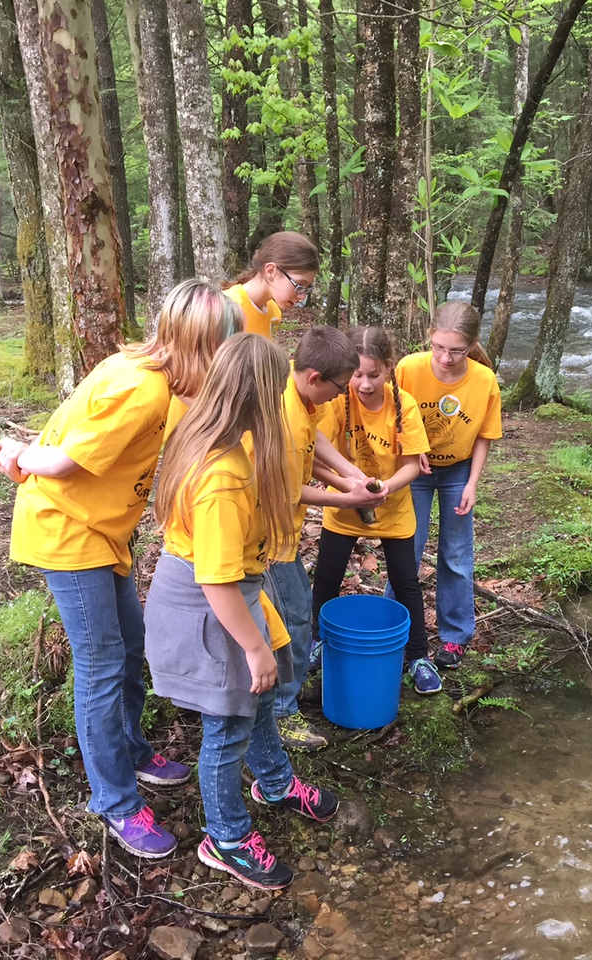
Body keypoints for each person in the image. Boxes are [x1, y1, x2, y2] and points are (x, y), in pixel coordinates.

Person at [0, 278, 241, 859]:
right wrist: (21, 457)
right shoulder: (141, 390)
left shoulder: (162, 382)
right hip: (69, 534)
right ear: (198, 348)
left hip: (105, 533)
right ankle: (115, 802)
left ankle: (130, 749)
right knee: (100, 666)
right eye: (220, 354)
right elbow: (65, 459)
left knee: (131, 647)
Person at [142, 333, 339, 890]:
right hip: (212, 606)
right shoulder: (224, 474)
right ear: (258, 395)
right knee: (228, 726)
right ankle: (225, 838)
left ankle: (275, 783)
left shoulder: (222, 437)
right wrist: (254, 647)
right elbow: (216, 577)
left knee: (256, 706)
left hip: (237, 591)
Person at [267, 326, 386, 751]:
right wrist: (342, 498)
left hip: (285, 536)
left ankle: (288, 694)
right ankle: (282, 713)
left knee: (298, 612)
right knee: (293, 619)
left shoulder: (303, 397)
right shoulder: (281, 412)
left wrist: (350, 476)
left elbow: (311, 450)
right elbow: (287, 487)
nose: (344, 394)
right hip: (266, 540)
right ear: (316, 376)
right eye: (340, 386)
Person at [312, 326, 440, 695]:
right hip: (345, 505)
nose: (364, 384)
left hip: (394, 509)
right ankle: (319, 641)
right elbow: (317, 456)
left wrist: (385, 488)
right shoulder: (337, 401)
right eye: (356, 374)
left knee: (405, 582)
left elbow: (413, 465)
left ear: (389, 368)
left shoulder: (406, 406)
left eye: (374, 374)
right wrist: (349, 489)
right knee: (327, 576)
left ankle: (418, 656)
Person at [392, 302, 503, 671]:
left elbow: (485, 435)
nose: (446, 357)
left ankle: (455, 637)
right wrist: (412, 453)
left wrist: (473, 482)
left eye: (456, 350)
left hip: (458, 471)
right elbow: (391, 416)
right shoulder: (409, 368)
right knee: (406, 549)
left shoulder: (484, 380)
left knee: (456, 555)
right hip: (415, 471)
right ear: (429, 337)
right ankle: (398, 630)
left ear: (471, 345)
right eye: (439, 347)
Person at [223, 231, 320, 338]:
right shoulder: (227, 309)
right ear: (270, 271)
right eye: (299, 285)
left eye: (306, 288)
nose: (302, 297)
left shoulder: (274, 313)